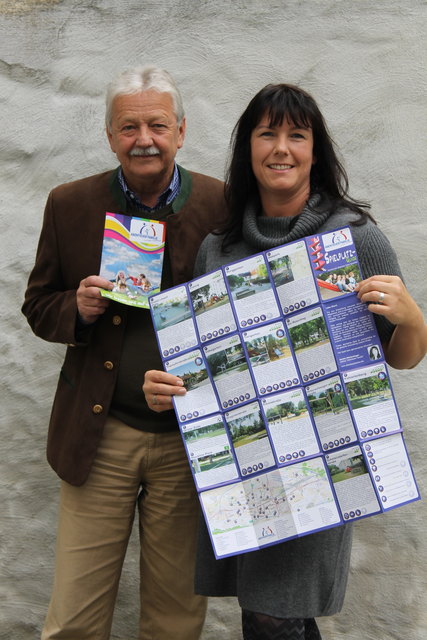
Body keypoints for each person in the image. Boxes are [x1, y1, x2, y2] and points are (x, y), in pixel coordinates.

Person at [143, 83, 427, 639]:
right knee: (265, 613)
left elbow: (402, 360)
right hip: (243, 463)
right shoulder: (219, 248)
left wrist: (414, 321)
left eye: (297, 135)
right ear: (247, 147)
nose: (281, 148)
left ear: (315, 151)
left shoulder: (355, 238)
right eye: (267, 133)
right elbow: (205, 367)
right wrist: (168, 387)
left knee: (277, 611)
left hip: (321, 461)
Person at [22, 66, 227, 640]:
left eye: (157, 125)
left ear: (181, 132)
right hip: (98, 432)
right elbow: (38, 306)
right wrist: (77, 309)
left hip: (188, 440)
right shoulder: (70, 204)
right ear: (110, 135)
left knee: (176, 620)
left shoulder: (223, 205)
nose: (144, 139)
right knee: (74, 620)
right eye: (129, 126)